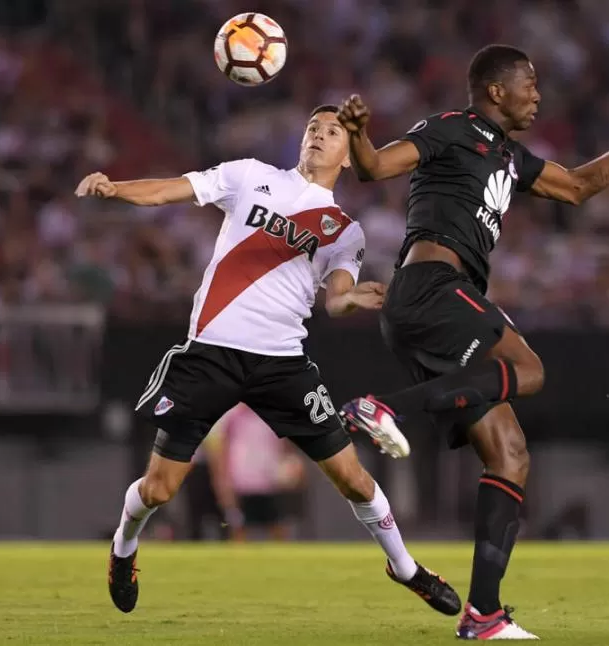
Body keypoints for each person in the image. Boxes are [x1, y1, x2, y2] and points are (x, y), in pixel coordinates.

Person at [75, 105, 460, 618]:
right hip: (211, 352)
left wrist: (355, 300)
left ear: (349, 157)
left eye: (332, 132)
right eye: (313, 129)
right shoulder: (250, 176)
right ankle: (124, 548)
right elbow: (171, 189)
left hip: (281, 361)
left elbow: (336, 298)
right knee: (160, 488)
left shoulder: (344, 230)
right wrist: (115, 187)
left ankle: (406, 568)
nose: (319, 137)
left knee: (354, 478)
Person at [335, 45, 609, 640]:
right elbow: (376, 168)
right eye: (529, 84)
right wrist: (360, 134)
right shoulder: (452, 129)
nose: (538, 95)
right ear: (495, 91)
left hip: (440, 299)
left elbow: (581, 187)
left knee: (509, 451)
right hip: (431, 285)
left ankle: (483, 613)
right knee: (529, 368)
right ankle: (386, 408)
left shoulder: (510, 156)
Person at [210, 403, 307, 542]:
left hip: (270, 483)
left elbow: (285, 447)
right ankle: (238, 563)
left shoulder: (273, 415)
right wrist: (222, 484)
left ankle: (281, 562)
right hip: (241, 485)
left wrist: (292, 466)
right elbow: (221, 451)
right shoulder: (231, 416)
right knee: (238, 530)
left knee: (278, 528)